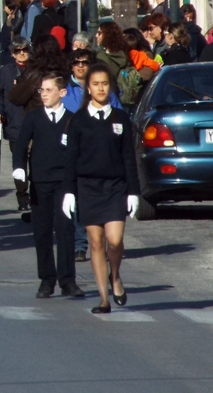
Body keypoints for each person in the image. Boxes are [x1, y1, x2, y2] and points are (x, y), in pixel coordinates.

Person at [62, 62, 140, 314]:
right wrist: (69, 192)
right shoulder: (78, 121)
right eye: (95, 84)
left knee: (114, 241)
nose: (100, 88)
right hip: (88, 187)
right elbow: (70, 159)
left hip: (115, 187)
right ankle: (103, 299)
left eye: (105, 84)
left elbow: (129, 157)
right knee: (96, 242)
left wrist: (134, 192)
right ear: (88, 88)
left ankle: (114, 275)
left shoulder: (121, 118)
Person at [12, 73, 84, 298]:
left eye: (48, 90)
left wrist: (77, 183)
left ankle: (68, 280)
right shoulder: (34, 117)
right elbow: (21, 144)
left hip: (63, 183)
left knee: (65, 229)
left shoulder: (72, 120)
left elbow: (79, 152)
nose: (44, 94)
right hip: (40, 181)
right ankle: (46, 279)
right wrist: (19, 167)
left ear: (62, 93)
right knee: (42, 231)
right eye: (41, 90)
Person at [0, 38, 31, 214]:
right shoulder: (6, 71)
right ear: (12, 53)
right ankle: (22, 197)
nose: (22, 53)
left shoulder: (35, 70)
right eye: (18, 50)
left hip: (32, 122)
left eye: (24, 50)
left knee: (36, 162)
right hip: (14, 122)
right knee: (19, 162)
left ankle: (36, 195)